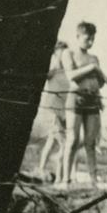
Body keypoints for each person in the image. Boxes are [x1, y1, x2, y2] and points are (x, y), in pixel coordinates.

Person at [60, 21, 107, 189]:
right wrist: (92, 68)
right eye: (88, 38)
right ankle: (66, 180)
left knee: (90, 142)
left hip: (92, 99)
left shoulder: (94, 58)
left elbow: (101, 82)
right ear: (78, 36)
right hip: (75, 98)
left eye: (93, 39)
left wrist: (98, 76)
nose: (90, 42)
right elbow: (71, 76)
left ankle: (93, 181)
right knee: (72, 140)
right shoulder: (68, 53)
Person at [36, 41, 69, 183]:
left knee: (52, 141)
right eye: (61, 52)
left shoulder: (68, 71)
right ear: (56, 53)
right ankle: (60, 177)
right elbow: (45, 76)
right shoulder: (53, 69)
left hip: (64, 111)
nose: (64, 55)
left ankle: (42, 168)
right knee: (64, 143)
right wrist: (55, 64)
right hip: (52, 110)